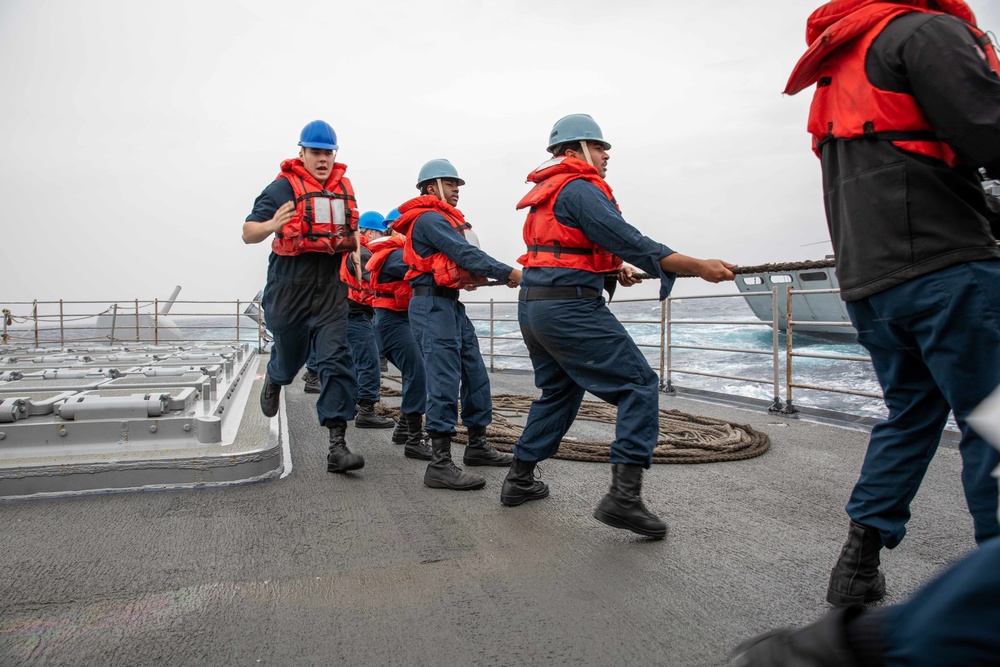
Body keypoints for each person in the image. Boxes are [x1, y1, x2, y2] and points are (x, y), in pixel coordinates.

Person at [783, 0, 1000, 606]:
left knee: (911, 416)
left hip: (870, 286)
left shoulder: (841, 66)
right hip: (949, 271)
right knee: (996, 424)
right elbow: (988, 131)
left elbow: (901, 165)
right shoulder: (926, 32)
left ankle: (858, 563)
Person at [500, 114, 734, 537]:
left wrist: (611, 271)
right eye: (598, 146)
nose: (607, 154)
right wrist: (697, 265)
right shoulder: (579, 188)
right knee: (638, 385)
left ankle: (518, 478)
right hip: (569, 310)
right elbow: (628, 238)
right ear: (574, 152)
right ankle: (623, 499)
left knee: (560, 392)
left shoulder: (551, 192)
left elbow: (577, 248)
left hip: (534, 306)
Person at [241, 119, 364, 474]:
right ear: (302, 153)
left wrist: (354, 250)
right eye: (315, 152)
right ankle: (277, 378)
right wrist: (271, 226)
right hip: (289, 284)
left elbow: (350, 225)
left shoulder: (343, 188)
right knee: (292, 355)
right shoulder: (282, 188)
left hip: (329, 286)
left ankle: (337, 445)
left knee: (336, 358)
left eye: (328, 152)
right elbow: (248, 232)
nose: (322, 159)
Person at [391, 159, 521, 491]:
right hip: (431, 305)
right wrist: (509, 272)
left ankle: (477, 444)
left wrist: (480, 276)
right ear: (430, 188)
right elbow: (462, 252)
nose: (457, 190)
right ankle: (439, 463)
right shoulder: (430, 218)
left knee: (475, 371)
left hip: (449, 303)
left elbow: (459, 259)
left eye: (458, 185)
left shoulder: (443, 219)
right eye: (450, 184)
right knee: (444, 378)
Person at [366, 207, 432, 461]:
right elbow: (421, 267)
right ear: (394, 228)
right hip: (391, 322)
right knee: (418, 371)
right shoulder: (393, 255)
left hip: (398, 320)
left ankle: (404, 429)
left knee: (416, 371)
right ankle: (414, 438)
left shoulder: (397, 252)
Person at [340, 210, 395, 429]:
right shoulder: (362, 253)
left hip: (343, 313)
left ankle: (350, 404)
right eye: (380, 233)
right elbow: (375, 281)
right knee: (369, 362)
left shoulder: (347, 250)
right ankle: (367, 410)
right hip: (356, 313)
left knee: (352, 361)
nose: (382, 237)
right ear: (370, 232)